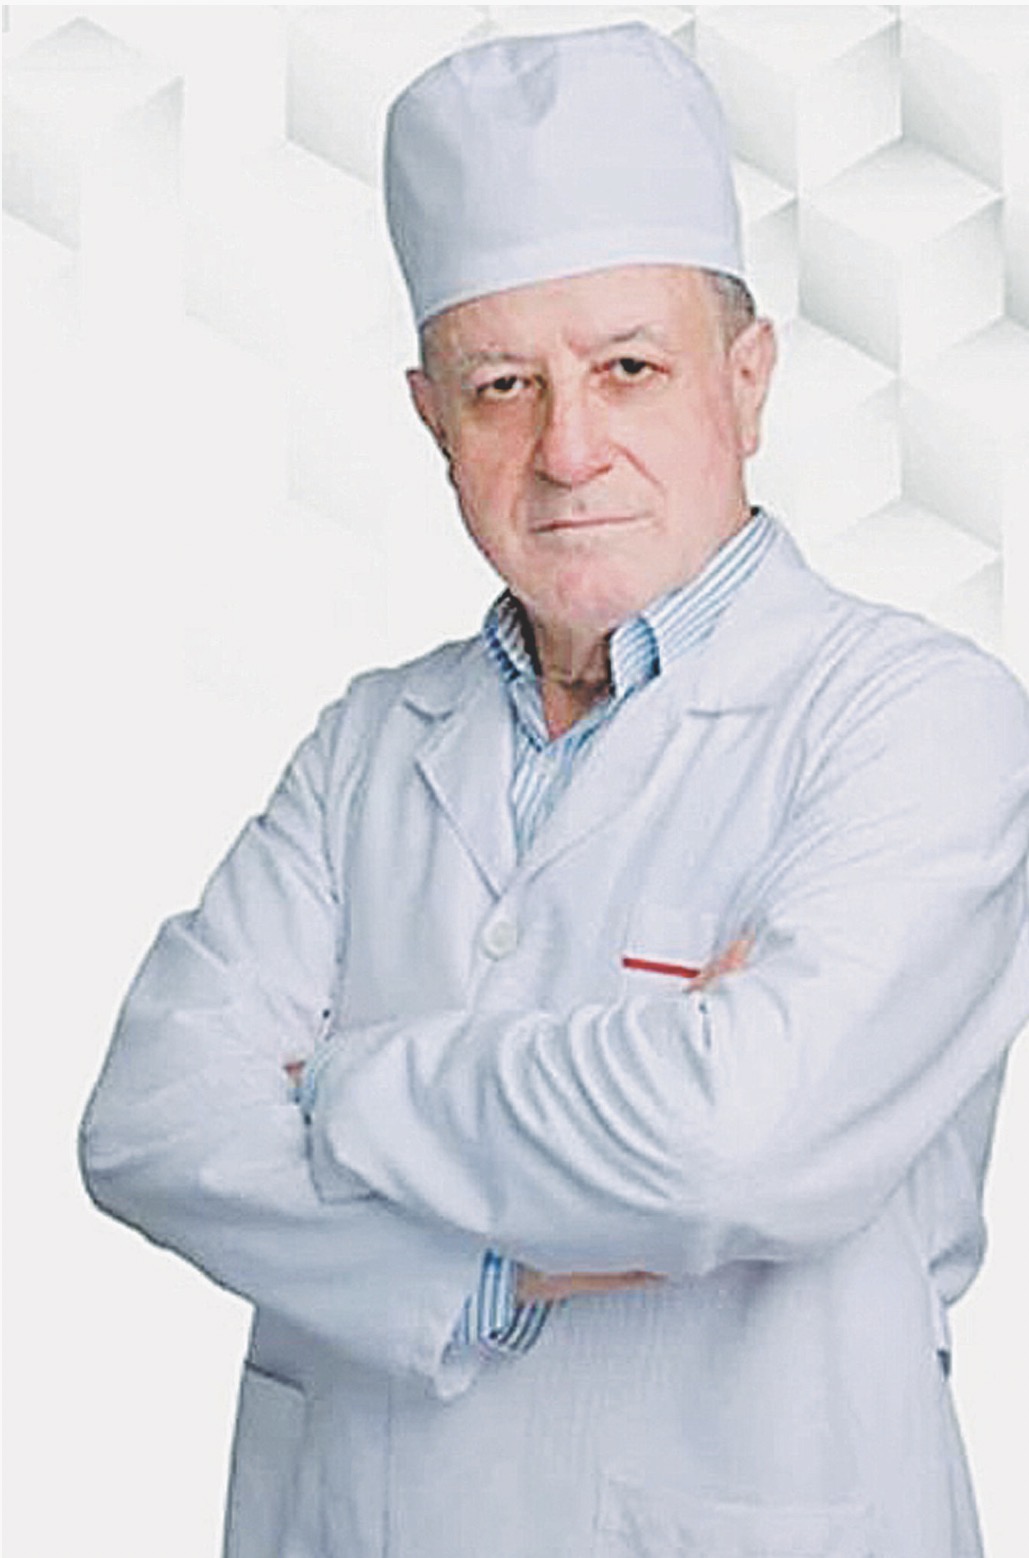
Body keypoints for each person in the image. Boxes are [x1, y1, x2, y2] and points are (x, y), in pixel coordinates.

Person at [80, 24, 1029, 1558]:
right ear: (429, 418)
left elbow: (734, 1142)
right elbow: (147, 1119)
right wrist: (478, 1278)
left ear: (746, 381)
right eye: (501, 384)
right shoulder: (367, 743)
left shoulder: (915, 721)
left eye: (627, 369)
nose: (566, 447)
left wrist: (334, 1083)